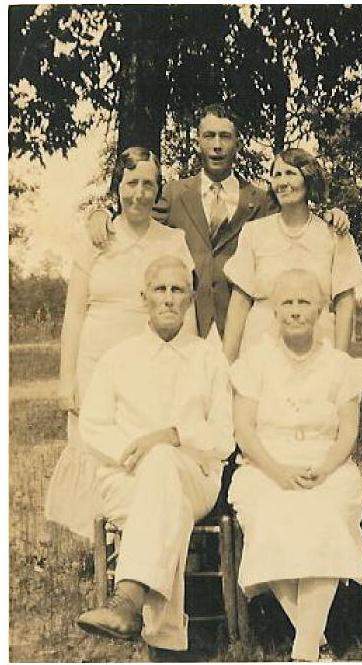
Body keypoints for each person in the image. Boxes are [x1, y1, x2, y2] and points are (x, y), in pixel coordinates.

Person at [76, 256, 233, 654]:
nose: (168, 299)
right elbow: (93, 425)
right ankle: (163, 641)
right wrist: (134, 455)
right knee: (165, 500)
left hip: (194, 477)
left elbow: (224, 437)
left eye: (177, 290)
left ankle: (127, 598)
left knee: (164, 464)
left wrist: (175, 436)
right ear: (143, 296)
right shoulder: (118, 358)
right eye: (160, 289)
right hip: (125, 478)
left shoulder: (208, 358)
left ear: (190, 297)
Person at [87, 105, 350, 341]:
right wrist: (101, 214)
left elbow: (294, 223)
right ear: (198, 142)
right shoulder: (173, 194)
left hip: (241, 328)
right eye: (209, 136)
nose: (217, 145)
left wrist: (330, 215)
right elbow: (137, 222)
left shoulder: (259, 200)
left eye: (225, 136)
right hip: (186, 325)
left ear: (237, 143)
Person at [228, 268, 362, 662]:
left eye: (304, 302)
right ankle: (313, 643)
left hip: (326, 465)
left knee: (323, 513)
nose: (295, 311)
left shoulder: (339, 365)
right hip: (265, 465)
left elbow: (348, 432)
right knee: (271, 514)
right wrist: (277, 471)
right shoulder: (255, 362)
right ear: (275, 312)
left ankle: (303, 648)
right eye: (287, 302)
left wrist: (325, 468)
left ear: (320, 310)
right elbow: (244, 428)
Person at [44, 147, 195, 541]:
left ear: (159, 190)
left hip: (151, 365)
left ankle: (141, 538)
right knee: (97, 448)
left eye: (149, 184)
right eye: (132, 183)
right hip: (97, 362)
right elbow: (74, 314)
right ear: (117, 187)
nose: (140, 194)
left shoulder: (173, 241)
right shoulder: (97, 238)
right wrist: (67, 380)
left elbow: (187, 314)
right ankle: (104, 547)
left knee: (141, 450)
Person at [223, 148, 362, 362]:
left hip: (318, 348)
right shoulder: (254, 233)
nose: (282, 182)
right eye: (277, 175)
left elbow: (345, 302)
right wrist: (228, 364)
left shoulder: (333, 233)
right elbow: (239, 302)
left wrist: (340, 363)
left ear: (308, 179)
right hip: (262, 348)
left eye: (290, 173)